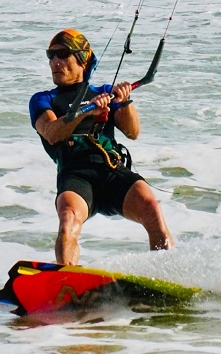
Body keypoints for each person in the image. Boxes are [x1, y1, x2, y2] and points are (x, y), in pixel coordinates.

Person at [29, 29, 174, 265]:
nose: (55, 61)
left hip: (111, 171)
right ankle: (66, 279)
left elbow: (133, 132)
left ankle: (169, 273)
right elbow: (52, 133)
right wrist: (87, 111)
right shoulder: (43, 99)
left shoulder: (103, 92)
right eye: (51, 55)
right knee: (68, 220)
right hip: (76, 176)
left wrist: (124, 101)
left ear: (82, 60)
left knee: (151, 207)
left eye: (63, 54)